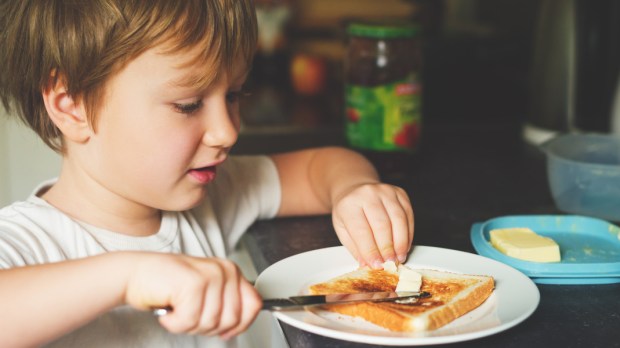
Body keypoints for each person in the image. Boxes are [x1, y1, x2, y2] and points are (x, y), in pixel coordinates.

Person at [0, 1, 414, 347]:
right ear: (71, 105)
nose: (228, 131)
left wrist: (356, 190)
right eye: (188, 104)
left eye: (233, 94)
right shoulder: (27, 241)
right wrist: (130, 276)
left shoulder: (215, 193)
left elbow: (320, 167)